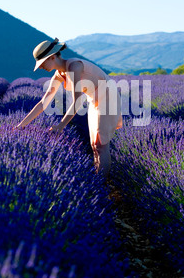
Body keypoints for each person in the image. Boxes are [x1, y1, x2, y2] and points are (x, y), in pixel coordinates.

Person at [13, 38, 123, 181]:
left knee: (101, 144)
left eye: (42, 63)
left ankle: (102, 183)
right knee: (94, 145)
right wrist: (21, 125)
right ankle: (98, 179)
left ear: (52, 57)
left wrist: (61, 125)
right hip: (94, 99)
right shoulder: (59, 74)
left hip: (108, 97)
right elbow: (43, 103)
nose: (40, 67)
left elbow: (77, 100)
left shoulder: (74, 67)